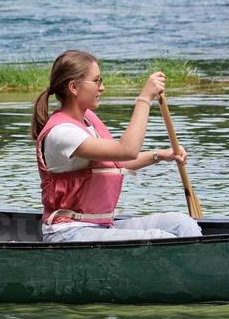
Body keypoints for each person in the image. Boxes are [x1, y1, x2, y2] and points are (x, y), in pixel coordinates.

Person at [32, 49, 202, 242]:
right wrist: (144, 99)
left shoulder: (88, 122)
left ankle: (202, 268)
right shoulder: (62, 133)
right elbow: (127, 150)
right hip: (70, 231)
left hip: (101, 226)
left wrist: (161, 155)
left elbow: (117, 163)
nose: (102, 88)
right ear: (73, 87)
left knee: (182, 223)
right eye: (97, 81)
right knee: (160, 238)